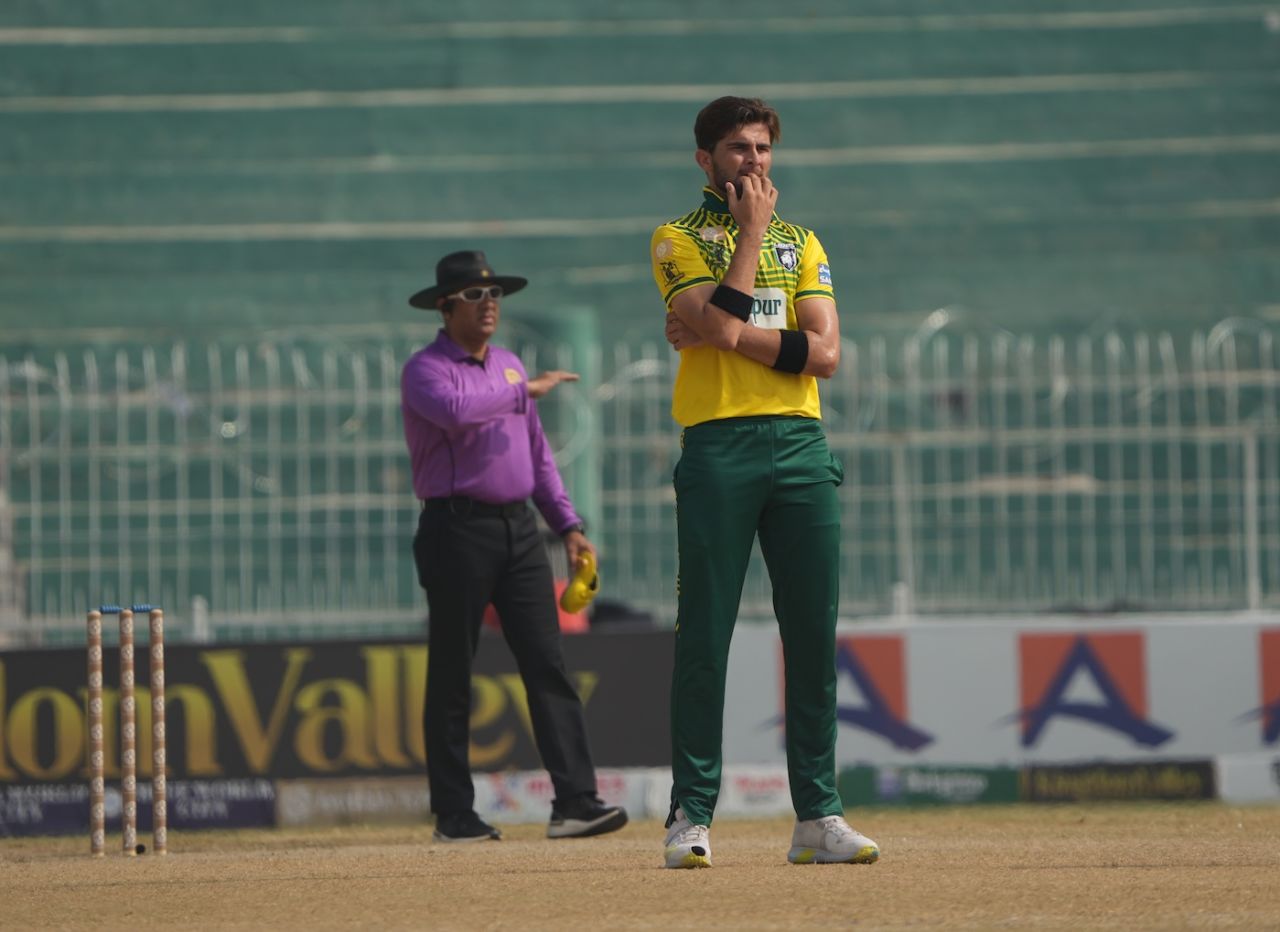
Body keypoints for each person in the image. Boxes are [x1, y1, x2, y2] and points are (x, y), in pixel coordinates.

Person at [649, 97, 880, 868]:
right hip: (719, 446)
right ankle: (692, 815)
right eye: (737, 148)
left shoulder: (803, 240)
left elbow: (824, 355)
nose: (754, 161)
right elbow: (711, 326)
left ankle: (818, 816)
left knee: (812, 636)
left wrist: (732, 331)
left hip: (802, 444)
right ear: (705, 159)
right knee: (705, 636)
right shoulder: (676, 238)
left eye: (762, 148)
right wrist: (745, 242)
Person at [402, 249, 628, 843]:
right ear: (446, 307)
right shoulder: (427, 369)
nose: (490, 306)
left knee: (547, 662)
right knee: (454, 671)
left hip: (520, 530)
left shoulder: (507, 366)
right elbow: (453, 413)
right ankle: (455, 814)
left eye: (495, 295)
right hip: (456, 529)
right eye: (476, 297)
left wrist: (570, 526)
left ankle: (575, 801)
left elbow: (538, 457)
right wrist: (523, 389)